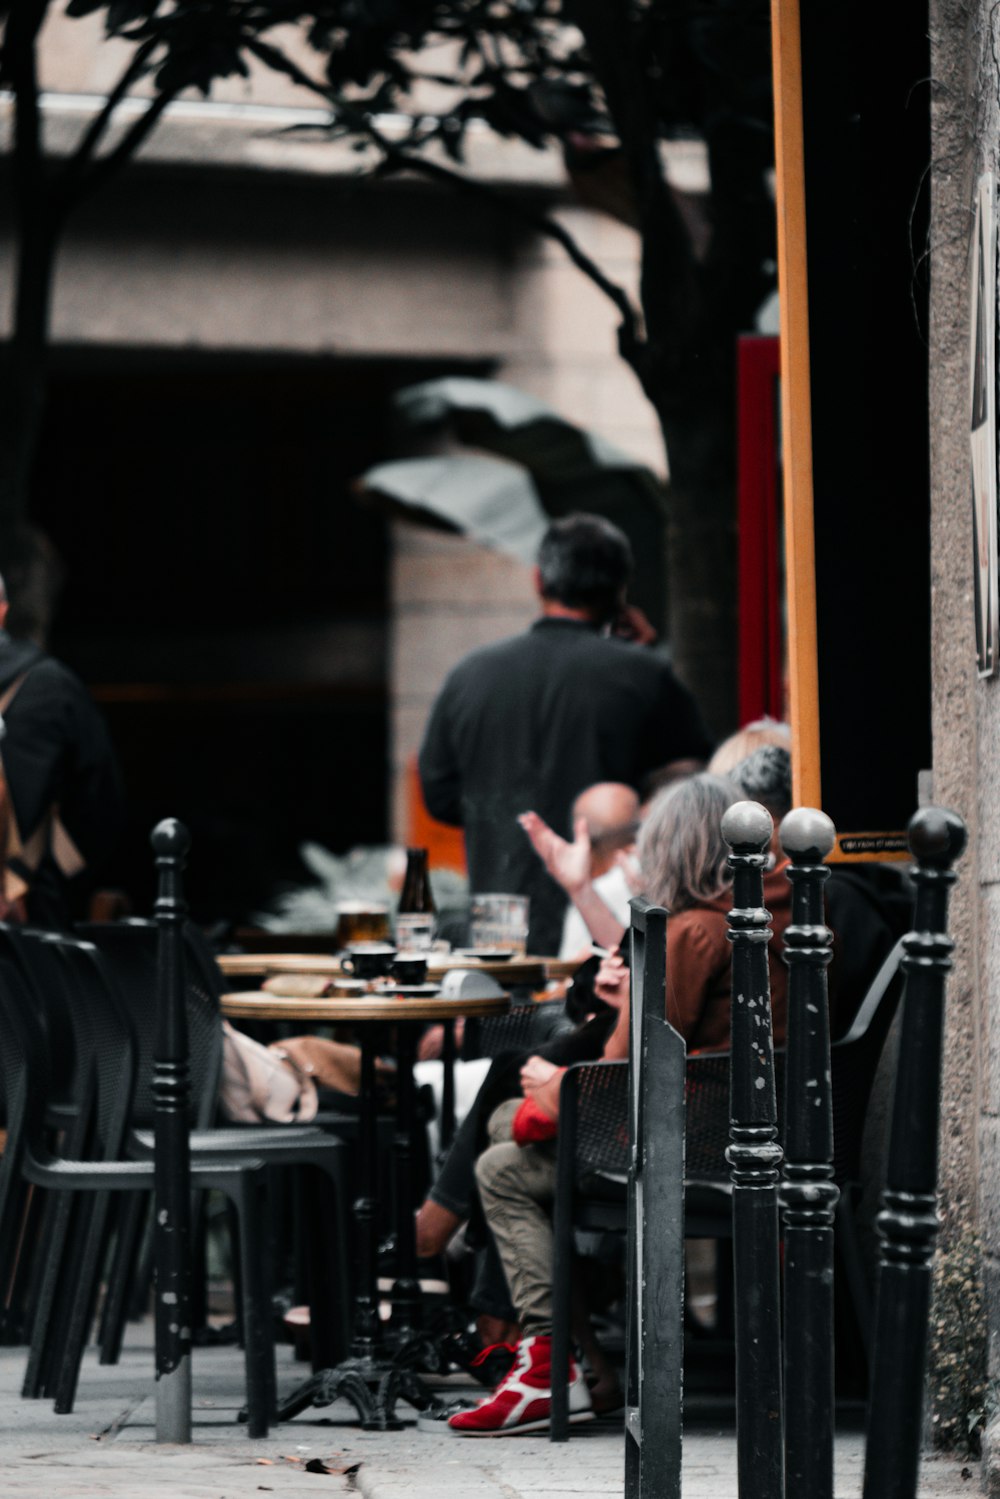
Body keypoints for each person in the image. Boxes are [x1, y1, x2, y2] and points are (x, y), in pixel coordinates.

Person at [447, 774, 794, 1436]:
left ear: (671, 850)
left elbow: (625, 1070)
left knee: (501, 1163)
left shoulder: (692, 931)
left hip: (695, 1139)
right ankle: (580, 1362)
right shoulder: (780, 911)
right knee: (506, 1124)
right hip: (747, 1122)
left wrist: (557, 1083)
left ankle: (553, 1363)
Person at [418, 514, 713, 954]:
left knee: (505, 1021)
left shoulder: (470, 674)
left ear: (539, 580)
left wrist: (504, 813)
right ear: (621, 589)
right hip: (603, 930)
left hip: (499, 930)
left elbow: (439, 796)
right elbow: (692, 793)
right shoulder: (645, 676)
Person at [0, 572, 124, 926]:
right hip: (31, 909)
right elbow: (103, 804)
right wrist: (56, 873)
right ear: (3, 611)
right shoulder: (52, 687)